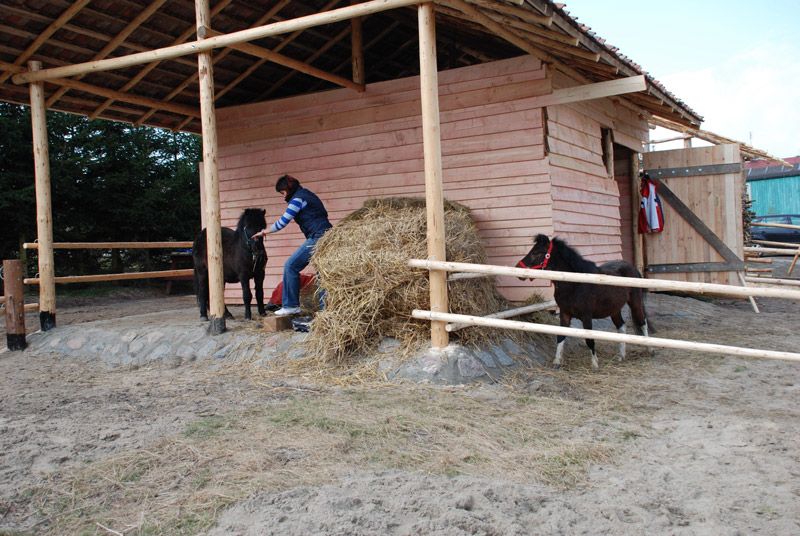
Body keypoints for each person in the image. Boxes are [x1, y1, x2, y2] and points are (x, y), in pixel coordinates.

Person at [252, 175, 332, 316]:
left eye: (283, 193)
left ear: (288, 189)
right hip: (329, 235)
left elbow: (282, 223)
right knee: (322, 273)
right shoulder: (308, 194)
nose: (283, 197)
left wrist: (263, 232)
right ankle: (326, 311)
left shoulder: (297, 199)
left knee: (291, 265)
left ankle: (291, 305)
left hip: (318, 237)